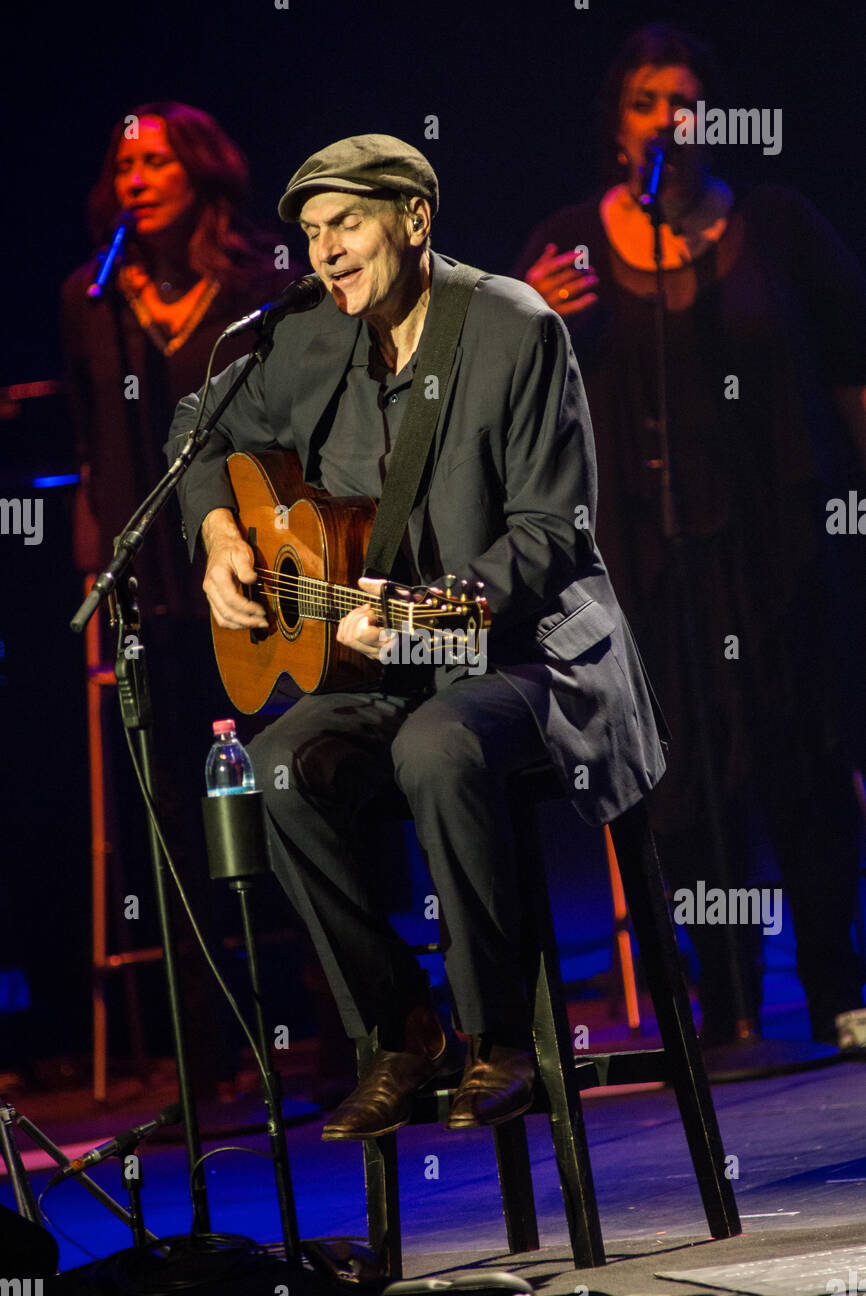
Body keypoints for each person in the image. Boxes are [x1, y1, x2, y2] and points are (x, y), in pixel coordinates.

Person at [167, 133, 668, 1139]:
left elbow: (551, 531)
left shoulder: (513, 328)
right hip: (386, 660)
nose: (325, 253)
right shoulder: (307, 339)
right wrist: (219, 530)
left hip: (530, 654)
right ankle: (398, 1031)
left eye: (344, 225)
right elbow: (196, 425)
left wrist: (440, 603)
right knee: (273, 768)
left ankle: (500, 1037)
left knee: (436, 745)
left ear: (413, 218)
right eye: (310, 235)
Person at [514, 24, 866, 1046]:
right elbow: (507, 401)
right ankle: (721, 1002)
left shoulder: (778, 225)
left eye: (683, 99)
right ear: (615, 128)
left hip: (776, 546)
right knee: (676, 778)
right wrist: (530, 316)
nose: (665, 118)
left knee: (800, 758)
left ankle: (836, 984)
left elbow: (851, 371)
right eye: (642, 101)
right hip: (644, 553)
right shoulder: (570, 243)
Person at [61, 101, 304, 1096]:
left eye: (155, 160)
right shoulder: (92, 296)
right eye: (124, 163)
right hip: (148, 575)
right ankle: (206, 1047)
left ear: (199, 171)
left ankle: (315, 1024)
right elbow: (90, 440)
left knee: (278, 783)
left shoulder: (255, 282)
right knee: (167, 807)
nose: (137, 177)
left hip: (252, 564)